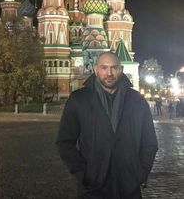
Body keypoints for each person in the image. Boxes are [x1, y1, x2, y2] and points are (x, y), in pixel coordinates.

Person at [56, 51, 158, 199]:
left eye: (114, 68)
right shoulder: (79, 100)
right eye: (104, 68)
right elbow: (64, 142)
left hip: (128, 187)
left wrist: (140, 174)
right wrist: (84, 174)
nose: (109, 73)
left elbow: (149, 142)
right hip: (93, 188)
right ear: (96, 69)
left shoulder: (137, 101)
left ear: (121, 70)